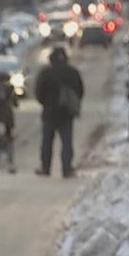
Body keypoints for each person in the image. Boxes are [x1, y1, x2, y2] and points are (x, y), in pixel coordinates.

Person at [34, 47, 85, 178]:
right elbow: (80, 91)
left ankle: (45, 167)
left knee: (47, 142)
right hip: (66, 114)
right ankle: (67, 168)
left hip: (49, 112)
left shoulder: (46, 73)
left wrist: (46, 103)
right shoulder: (72, 73)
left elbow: (38, 92)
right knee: (67, 142)